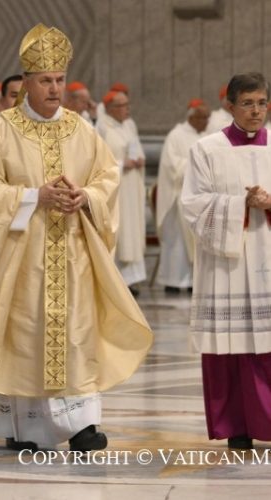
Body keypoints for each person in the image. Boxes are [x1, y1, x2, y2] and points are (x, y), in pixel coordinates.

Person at [0, 23, 153, 452]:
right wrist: (35, 196)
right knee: (26, 334)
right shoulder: (3, 129)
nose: (54, 89)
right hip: (22, 255)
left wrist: (85, 196)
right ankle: (27, 427)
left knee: (76, 332)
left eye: (59, 80)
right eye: (45, 81)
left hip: (73, 252)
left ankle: (82, 425)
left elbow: (107, 178)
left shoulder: (81, 128)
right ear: (27, 83)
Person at [181, 72, 271, 450]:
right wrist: (239, 205)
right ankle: (236, 425)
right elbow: (192, 204)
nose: (256, 111)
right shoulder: (206, 149)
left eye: (262, 103)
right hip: (227, 265)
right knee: (229, 347)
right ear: (229, 106)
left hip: (267, 256)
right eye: (247, 103)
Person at [156, 99, 210, 294]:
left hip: (201, 198)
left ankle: (194, 281)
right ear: (191, 118)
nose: (205, 121)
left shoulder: (207, 136)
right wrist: (196, 166)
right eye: (202, 117)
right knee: (177, 244)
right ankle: (174, 281)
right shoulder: (176, 135)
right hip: (178, 197)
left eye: (207, 117)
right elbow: (172, 166)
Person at [97, 90, 146, 296]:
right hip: (115, 187)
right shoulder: (102, 127)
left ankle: (132, 279)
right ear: (110, 108)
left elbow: (136, 148)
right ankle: (117, 280)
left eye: (127, 104)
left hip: (131, 185)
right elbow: (98, 161)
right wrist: (120, 164)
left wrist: (139, 159)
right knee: (120, 228)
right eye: (122, 105)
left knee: (132, 228)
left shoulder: (129, 125)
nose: (127, 109)